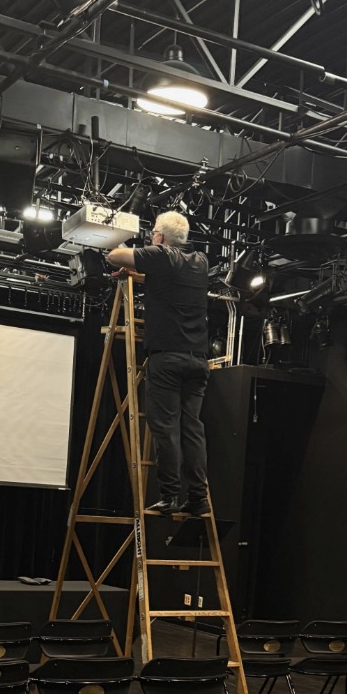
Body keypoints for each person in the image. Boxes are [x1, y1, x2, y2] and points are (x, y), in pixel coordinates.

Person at [105, 210, 210, 515]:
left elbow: (114, 255)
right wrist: (138, 275)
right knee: (192, 428)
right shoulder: (200, 263)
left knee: (165, 428)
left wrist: (130, 265)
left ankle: (169, 497)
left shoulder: (161, 254)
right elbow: (167, 279)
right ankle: (198, 499)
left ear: (160, 237)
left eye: (153, 233)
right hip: (197, 360)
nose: (151, 237)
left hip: (167, 359)